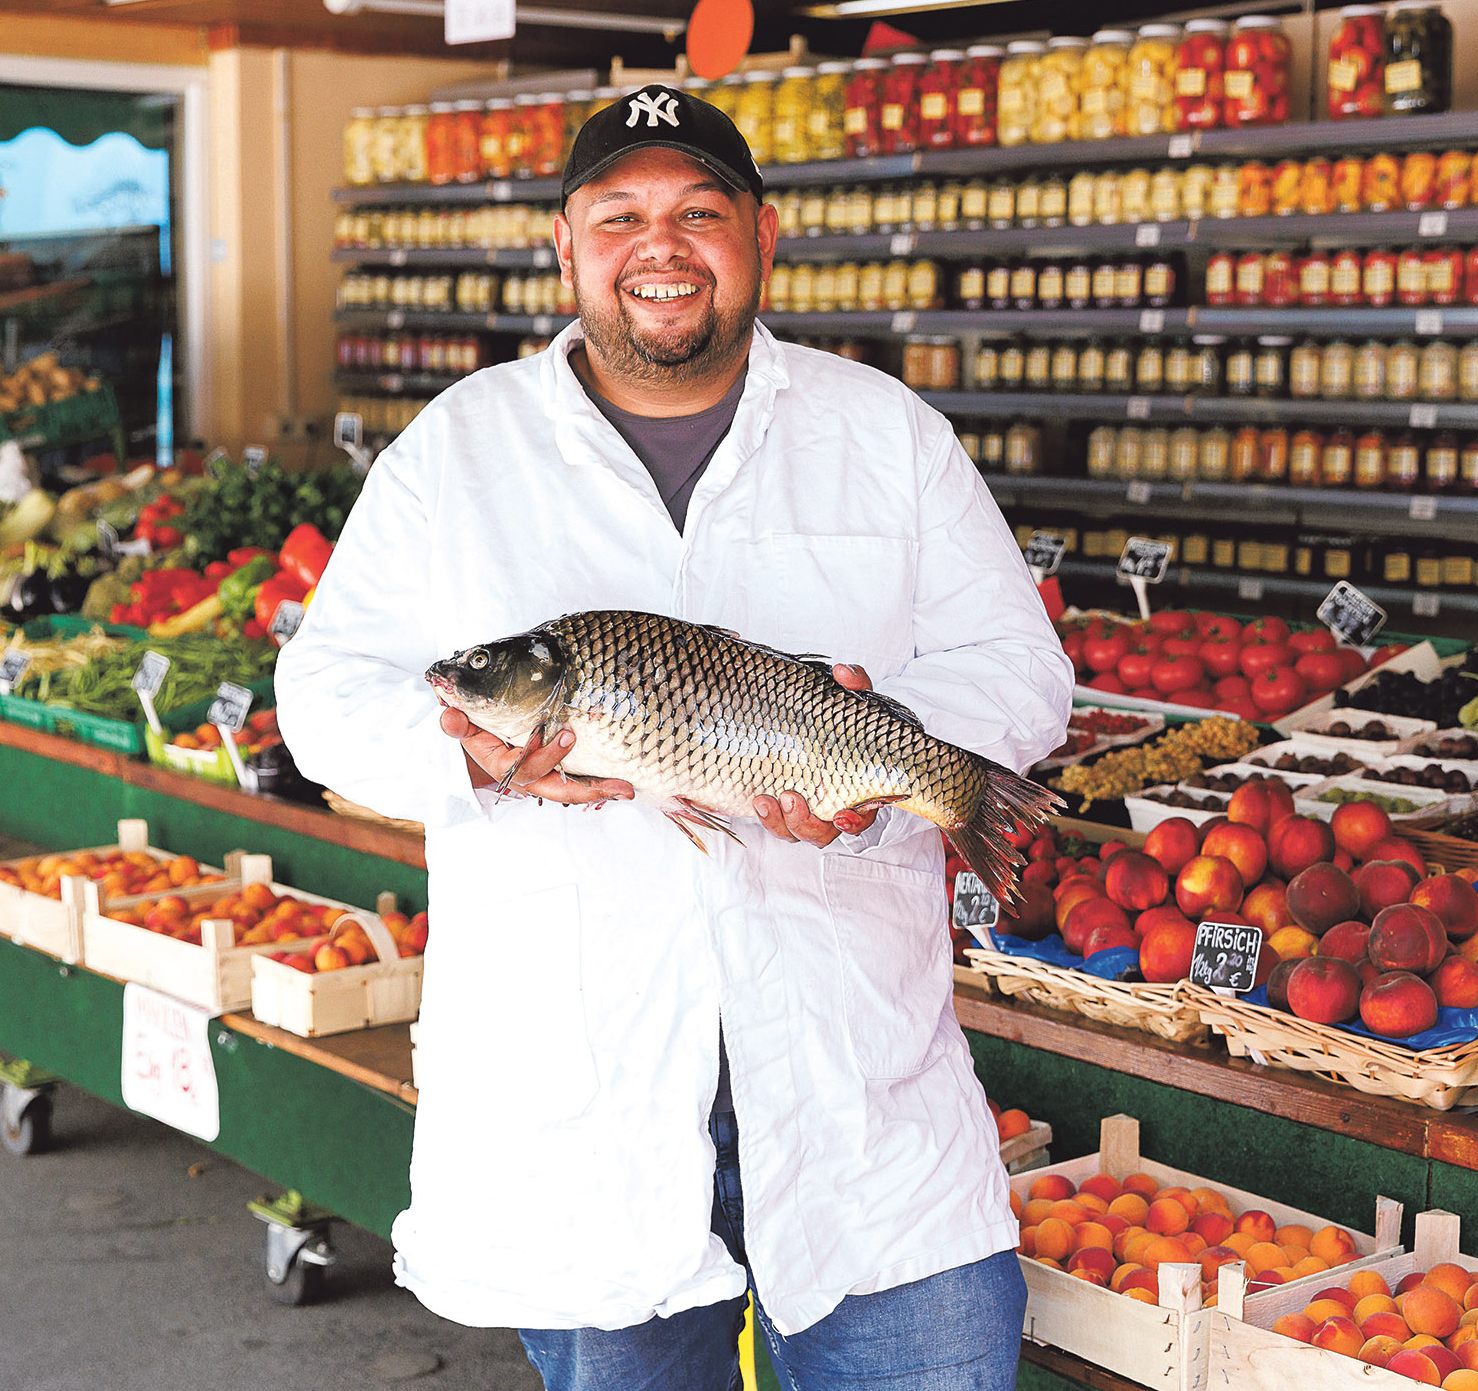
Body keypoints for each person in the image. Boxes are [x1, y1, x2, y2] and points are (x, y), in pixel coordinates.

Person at [275, 83, 1072, 1391]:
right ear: (567, 244)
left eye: (700, 212)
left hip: (857, 1086)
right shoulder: (458, 452)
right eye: (621, 214)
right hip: (587, 1107)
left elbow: (1018, 669)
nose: (663, 245)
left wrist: (883, 765)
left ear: (761, 236)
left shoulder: (885, 435)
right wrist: (464, 754)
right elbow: (321, 698)